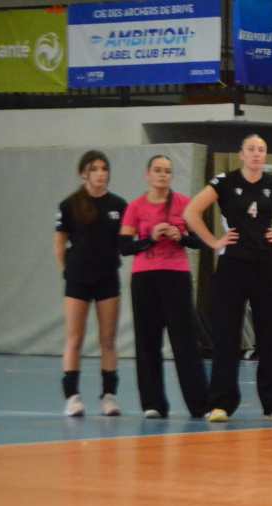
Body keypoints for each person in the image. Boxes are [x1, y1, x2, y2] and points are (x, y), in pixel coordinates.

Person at [183, 134, 272, 423]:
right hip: (232, 267)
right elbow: (191, 212)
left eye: (261, 150)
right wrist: (214, 242)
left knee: (269, 336)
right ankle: (221, 404)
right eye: (251, 149)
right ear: (241, 154)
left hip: (266, 267)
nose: (256, 154)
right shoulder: (224, 182)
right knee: (226, 336)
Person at [119, 154, 209, 419]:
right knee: (147, 340)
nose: (162, 175)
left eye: (167, 171)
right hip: (144, 278)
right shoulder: (135, 207)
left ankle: (199, 404)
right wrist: (149, 238)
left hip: (176, 276)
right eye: (157, 170)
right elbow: (124, 247)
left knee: (185, 341)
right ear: (148, 174)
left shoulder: (184, 203)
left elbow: (201, 241)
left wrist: (180, 237)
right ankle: (153, 403)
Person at [54, 150, 127, 417]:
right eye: (94, 169)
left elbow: (126, 240)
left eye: (104, 168)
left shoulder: (119, 205)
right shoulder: (69, 205)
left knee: (108, 339)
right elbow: (59, 244)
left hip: (107, 278)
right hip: (78, 280)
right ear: (83, 173)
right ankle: (72, 396)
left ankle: (109, 395)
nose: (100, 174)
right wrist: (68, 271)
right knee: (75, 337)